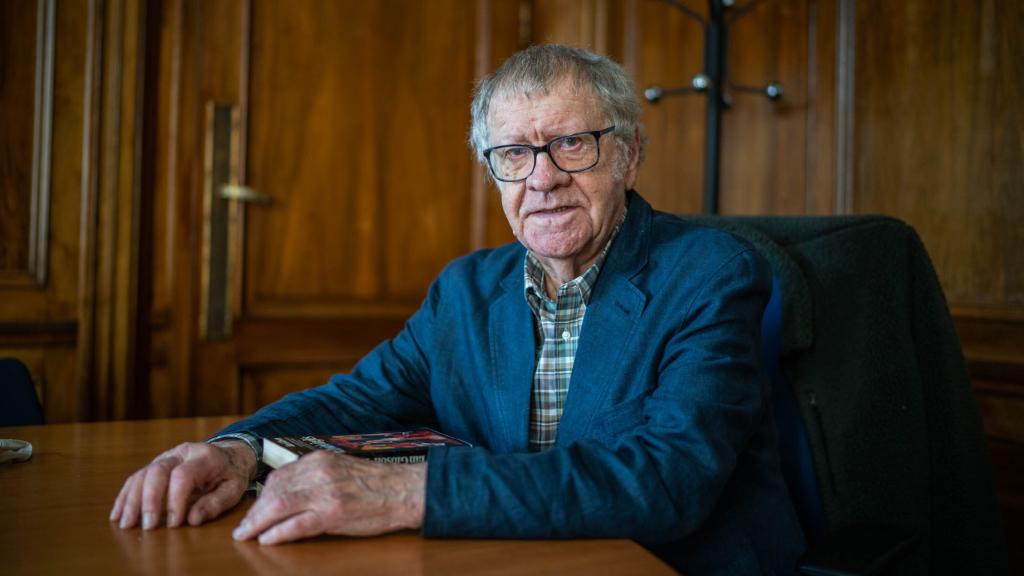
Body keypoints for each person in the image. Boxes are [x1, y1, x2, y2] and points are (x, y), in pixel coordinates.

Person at [110, 44, 806, 574]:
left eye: (571, 143)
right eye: (513, 152)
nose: (542, 179)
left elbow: (665, 480)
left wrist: (405, 494)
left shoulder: (712, 273)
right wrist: (239, 450)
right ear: (492, 169)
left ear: (627, 156)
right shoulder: (466, 290)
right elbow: (358, 399)